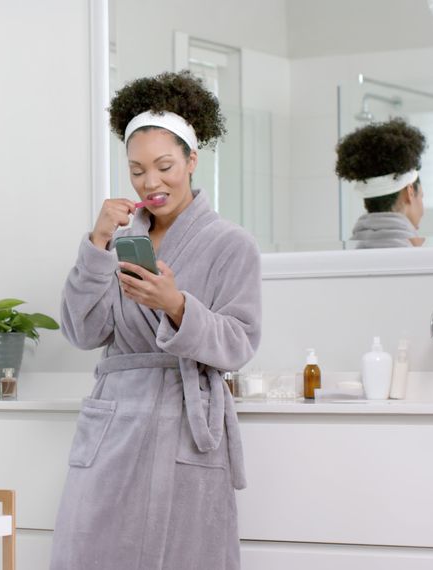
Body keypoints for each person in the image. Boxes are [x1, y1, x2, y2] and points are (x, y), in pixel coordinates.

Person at [51, 71, 261, 570]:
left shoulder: (231, 244)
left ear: (191, 160)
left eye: (165, 166)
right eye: (137, 169)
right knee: (89, 552)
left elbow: (239, 342)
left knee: (183, 556)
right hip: (114, 422)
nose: (151, 182)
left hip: (183, 422)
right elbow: (83, 331)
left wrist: (177, 305)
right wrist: (97, 244)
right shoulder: (123, 239)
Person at [336, 118, 427, 248]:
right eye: (422, 196)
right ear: (410, 192)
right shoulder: (416, 258)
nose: (423, 210)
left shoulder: (348, 250)